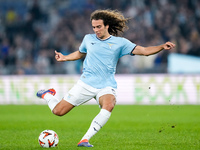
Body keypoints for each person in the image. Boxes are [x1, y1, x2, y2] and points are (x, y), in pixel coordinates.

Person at [36, 9, 175, 147]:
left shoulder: (120, 43)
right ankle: (48, 95)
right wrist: (65, 57)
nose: (96, 30)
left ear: (107, 25)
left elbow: (144, 51)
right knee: (58, 111)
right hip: (85, 83)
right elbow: (80, 53)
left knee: (109, 105)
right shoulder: (88, 39)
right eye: (94, 27)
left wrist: (162, 46)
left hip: (106, 86)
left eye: (99, 27)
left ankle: (84, 140)